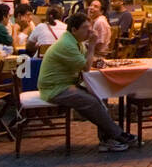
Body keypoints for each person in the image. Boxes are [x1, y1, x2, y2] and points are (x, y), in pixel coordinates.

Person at [37, 12, 132, 153]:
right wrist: (92, 45)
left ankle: (108, 139)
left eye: (90, 28)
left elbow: (86, 62)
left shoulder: (76, 42)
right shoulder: (67, 44)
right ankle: (118, 135)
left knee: (100, 96)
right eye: (86, 28)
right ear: (74, 30)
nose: (90, 32)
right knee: (92, 102)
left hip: (68, 84)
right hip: (55, 88)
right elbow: (86, 67)